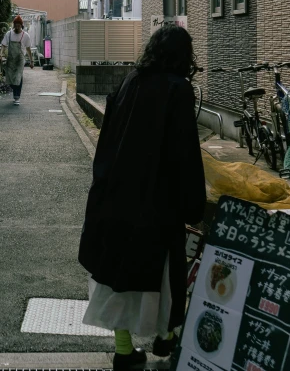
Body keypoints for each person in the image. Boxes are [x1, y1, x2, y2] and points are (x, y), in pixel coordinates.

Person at [78, 25, 206, 370]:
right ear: (184, 56)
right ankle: (166, 338)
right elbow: (184, 153)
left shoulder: (131, 80)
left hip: (117, 196)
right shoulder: (177, 89)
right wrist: (194, 203)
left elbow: (108, 137)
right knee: (163, 274)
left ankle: (124, 352)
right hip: (156, 203)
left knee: (117, 277)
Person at [1, 15, 33, 105]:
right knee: (10, 77)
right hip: (11, 58)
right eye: (16, 25)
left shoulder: (25, 35)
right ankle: (15, 92)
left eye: (19, 25)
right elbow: (4, 44)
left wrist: (31, 61)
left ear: (21, 25)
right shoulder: (9, 34)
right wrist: (1, 53)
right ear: (14, 25)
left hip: (20, 59)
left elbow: (28, 49)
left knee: (18, 76)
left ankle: (17, 97)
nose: (17, 27)